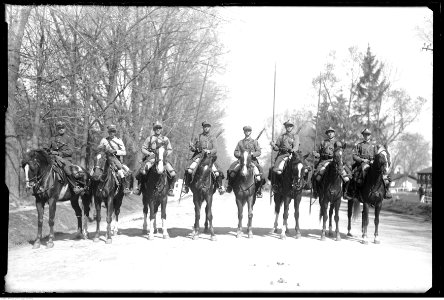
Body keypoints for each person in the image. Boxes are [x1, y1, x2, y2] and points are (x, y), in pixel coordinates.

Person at [133, 121, 176, 196]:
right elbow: (143, 148)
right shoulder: (149, 139)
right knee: (142, 171)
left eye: (159, 128)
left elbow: (170, 149)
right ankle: (139, 188)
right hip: (151, 159)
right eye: (156, 128)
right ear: (154, 129)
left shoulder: (165, 139)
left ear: (161, 129)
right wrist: (149, 153)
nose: (158, 129)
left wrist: (165, 154)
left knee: (172, 173)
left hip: (162, 159)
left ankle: (170, 189)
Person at [181, 121, 225, 195]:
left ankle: (220, 187)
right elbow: (194, 148)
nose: (206, 128)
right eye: (205, 127)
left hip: (209, 157)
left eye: (207, 126)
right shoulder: (198, 137)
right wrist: (192, 147)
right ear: (203, 128)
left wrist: (209, 151)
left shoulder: (213, 137)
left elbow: (215, 149)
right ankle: (186, 186)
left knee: (217, 172)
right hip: (199, 156)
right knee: (189, 170)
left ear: (209, 128)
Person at [42, 121, 85, 194]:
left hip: (65, 159)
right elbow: (46, 147)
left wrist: (59, 153)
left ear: (65, 128)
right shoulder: (53, 138)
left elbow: (71, 151)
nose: (61, 129)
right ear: (57, 129)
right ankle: (41, 186)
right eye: (59, 128)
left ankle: (76, 186)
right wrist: (45, 150)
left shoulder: (69, 138)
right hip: (53, 159)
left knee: (67, 169)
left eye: (62, 128)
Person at [348, 128, 391, 199]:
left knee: (383, 174)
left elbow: (377, 156)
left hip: (372, 163)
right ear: (363, 135)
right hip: (362, 163)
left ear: (370, 136)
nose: (366, 136)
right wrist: (362, 160)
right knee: (359, 174)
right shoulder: (359, 145)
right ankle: (356, 191)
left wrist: (373, 161)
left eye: (368, 135)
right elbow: (354, 156)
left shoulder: (374, 146)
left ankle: (386, 191)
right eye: (365, 135)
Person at [312, 127, 350, 199]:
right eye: (328, 132)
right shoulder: (323, 142)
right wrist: (316, 154)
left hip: (335, 161)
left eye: (331, 132)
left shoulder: (338, 143)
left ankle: (345, 193)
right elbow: (319, 153)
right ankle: (316, 191)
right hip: (324, 161)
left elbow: (340, 152)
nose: (330, 133)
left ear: (334, 133)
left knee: (347, 178)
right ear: (327, 134)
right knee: (316, 175)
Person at [226, 126, 264, 198]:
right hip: (241, 161)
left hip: (252, 161)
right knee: (231, 170)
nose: (247, 132)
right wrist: (241, 155)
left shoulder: (255, 142)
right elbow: (235, 152)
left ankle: (259, 190)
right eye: (246, 131)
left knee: (260, 172)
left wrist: (252, 154)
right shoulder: (240, 142)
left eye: (249, 131)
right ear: (244, 132)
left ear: (251, 132)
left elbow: (259, 152)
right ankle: (229, 186)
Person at [97, 124, 130, 194]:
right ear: (108, 132)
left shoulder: (119, 140)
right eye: (110, 132)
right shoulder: (104, 140)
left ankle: (125, 188)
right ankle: (92, 186)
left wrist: (115, 151)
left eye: (113, 132)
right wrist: (102, 150)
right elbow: (99, 149)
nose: (112, 133)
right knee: (96, 170)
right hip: (105, 159)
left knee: (121, 172)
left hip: (115, 159)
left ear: (115, 132)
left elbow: (124, 152)